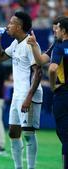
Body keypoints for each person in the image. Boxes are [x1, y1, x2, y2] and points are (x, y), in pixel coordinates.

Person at [0, 11, 43, 169]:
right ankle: (18, 167)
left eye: (11, 23)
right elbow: (0, 57)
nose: (8, 26)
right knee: (13, 133)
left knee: (28, 134)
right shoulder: (15, 43)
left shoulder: (30, 43)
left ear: (19, 27)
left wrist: (29, 97)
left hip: (29, 94)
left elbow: (38, 71)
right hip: (17, 94)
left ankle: (31, 167)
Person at [48, 18, 68, 169]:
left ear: (64, 31)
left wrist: (52, 85)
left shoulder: (60, 47)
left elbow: (52, 68)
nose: (56, 30)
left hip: (63, 94)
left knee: (65, 135)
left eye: (58, 28)